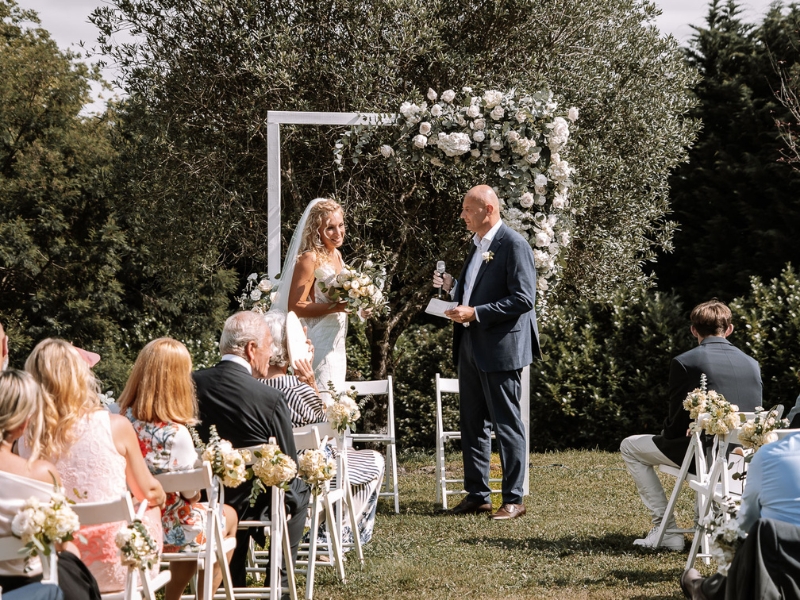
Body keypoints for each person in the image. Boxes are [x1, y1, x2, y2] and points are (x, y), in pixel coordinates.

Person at [21, 339, 166, 593]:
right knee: (149, 505)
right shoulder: (115, 425)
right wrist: (159, 494)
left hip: (55, 565)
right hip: (120, 564)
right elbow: (149, 492)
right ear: (80, 377)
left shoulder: (22, 437)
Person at [433, 185, 540, 520]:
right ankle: (477, 495)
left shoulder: (514, 245)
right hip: (469, 345)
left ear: (488, 209)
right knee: (472, 423)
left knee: (506, 424)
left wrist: (476, 313)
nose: (462, 214)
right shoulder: (477, 244)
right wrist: (453, 287)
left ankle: (514, 499)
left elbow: (524, 299)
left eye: (468, 208)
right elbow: (475, 289)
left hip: (500, 347)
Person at [620, 299, 762, 550]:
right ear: (729, 329)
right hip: (740, 458)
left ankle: (666, 529)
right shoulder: (752, 363)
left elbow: (675, 424)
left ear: (694, 330)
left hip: (700, 452)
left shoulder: (685, 362)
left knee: (630, 447)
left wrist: (669, 432)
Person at [193, 311, 310, 590]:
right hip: (255, 503)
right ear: (251, 348)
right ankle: (278, 585)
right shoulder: (269, 398)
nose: (270, 356)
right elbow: (288, 463)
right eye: (269, 346)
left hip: (203, 497)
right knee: (299, 491)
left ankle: (230, 585)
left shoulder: (190, 384)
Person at [117, 338, 238, 600]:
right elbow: (190, 492)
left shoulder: (118, 419)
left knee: (193, 520)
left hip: (127, 522)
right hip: (167, 529)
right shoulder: (175, 434)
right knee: (225, 517)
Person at [259, 309, 385, 545]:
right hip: (306, 475)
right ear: (290, 350)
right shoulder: (297, 389)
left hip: (263, 473)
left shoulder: (249, 387)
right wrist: (310, 384)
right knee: (374, 461)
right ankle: (332, 535)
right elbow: (329, 430)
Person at [0, 369, 101, 600]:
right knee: (70, 559)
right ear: (22, 424)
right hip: (32, 587)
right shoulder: (41, 474)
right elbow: (62, 544)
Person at [681, 432, 800, 599]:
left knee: (760, 535)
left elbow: (747, 522)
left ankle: (706, 589)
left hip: (781, 566)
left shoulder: (770, 455)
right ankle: (705, 588)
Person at [272, 198, 349, 392]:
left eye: (340, 225)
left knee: (336, 399)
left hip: (338, 341)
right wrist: (338, 307)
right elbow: (295, 306)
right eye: (330, 228)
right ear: (316, 230)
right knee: (323, 398)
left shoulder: (337, 255)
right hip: (320, 339)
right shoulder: (309, 258)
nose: (338, 232)